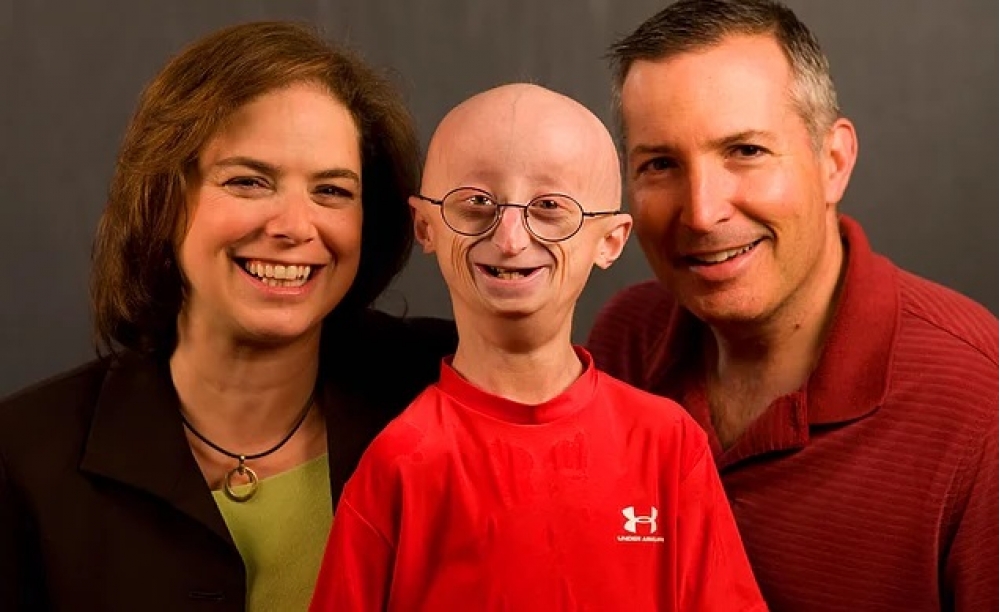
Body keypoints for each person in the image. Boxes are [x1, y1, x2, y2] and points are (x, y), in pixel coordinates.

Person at [0, 21, 456, 611]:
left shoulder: (443, 390)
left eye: (332, 192)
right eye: (248, 181)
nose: (294, 226)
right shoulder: (24, 457)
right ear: (163, 200)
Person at [587, 1, 999, 610]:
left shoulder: (980, 403)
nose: (702, 212)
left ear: (833, 162)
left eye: (745, 151)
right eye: (661, 164)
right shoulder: (623, 343)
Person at [309, 83, 766, 612]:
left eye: (550, 207)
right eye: (476, 203)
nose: (510, 238)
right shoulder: (398, 463)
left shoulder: (667, 445)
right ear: (425, 227)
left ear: (610, 240)